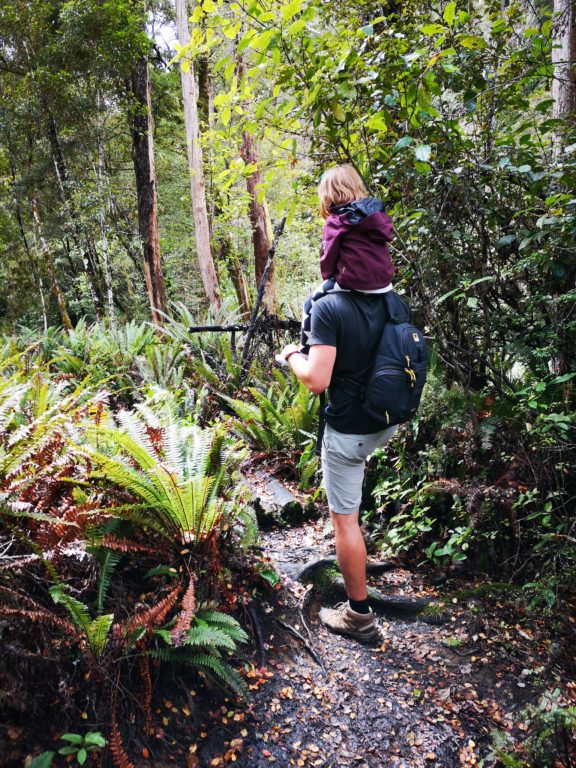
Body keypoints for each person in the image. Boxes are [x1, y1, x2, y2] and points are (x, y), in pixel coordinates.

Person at [279, 168, 398, 644]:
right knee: (355, 495)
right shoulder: (394, 302)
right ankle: (361, 564)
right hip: (385, 421)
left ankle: (360, 616)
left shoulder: (328, 308)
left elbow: (316, 380)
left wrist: (291, 355)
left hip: (349, 428)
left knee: (344, 521)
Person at [299, 164, 395, 356]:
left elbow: (329, 255)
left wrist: (328, 277)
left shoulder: (336, 220)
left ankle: (304, 352)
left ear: (328, 193)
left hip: (357, 282)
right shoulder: (375, 215)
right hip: (385, 284)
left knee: (310, 303)